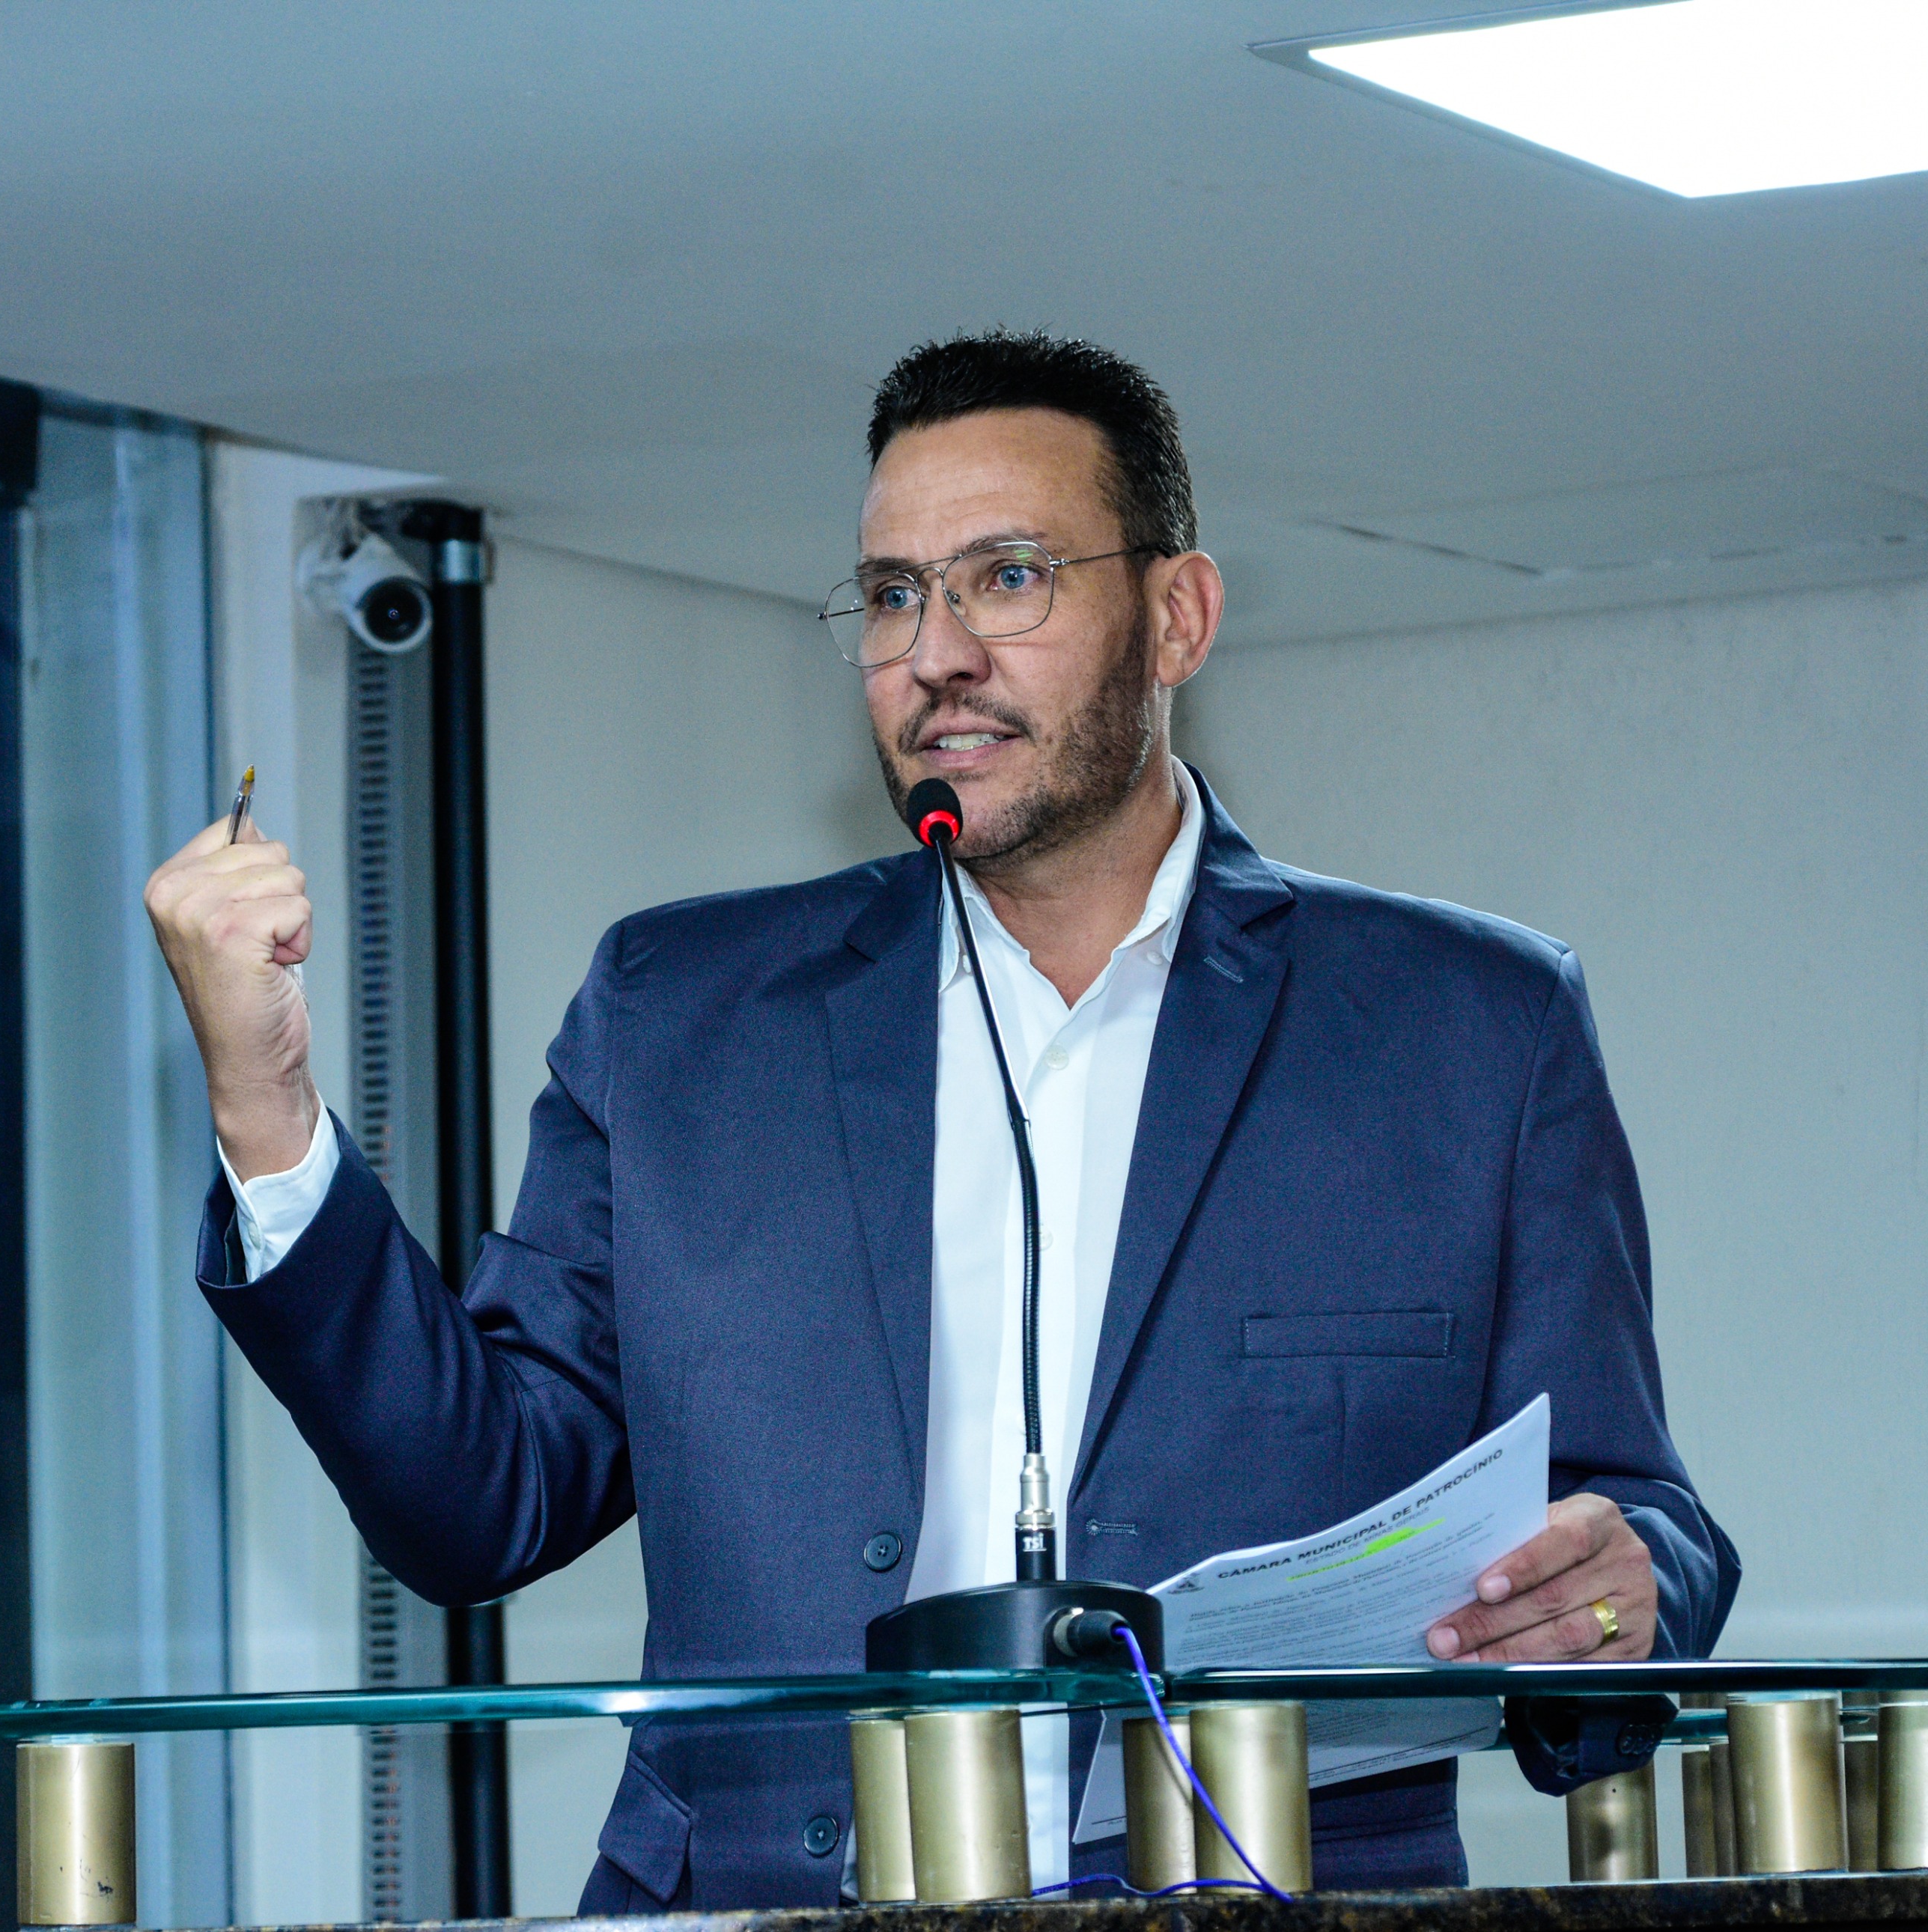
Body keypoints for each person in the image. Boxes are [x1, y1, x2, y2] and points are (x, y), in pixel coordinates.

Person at [145, 330, 1736, 1910]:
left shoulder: (1471, 1026)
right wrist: (265, 1102)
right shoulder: (679, 1013)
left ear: (1177, 616)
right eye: (895, 594)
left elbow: (1635, 1512)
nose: (936, 653)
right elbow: (477, 1499)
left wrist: (1623, 1589)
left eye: (1010, 578)